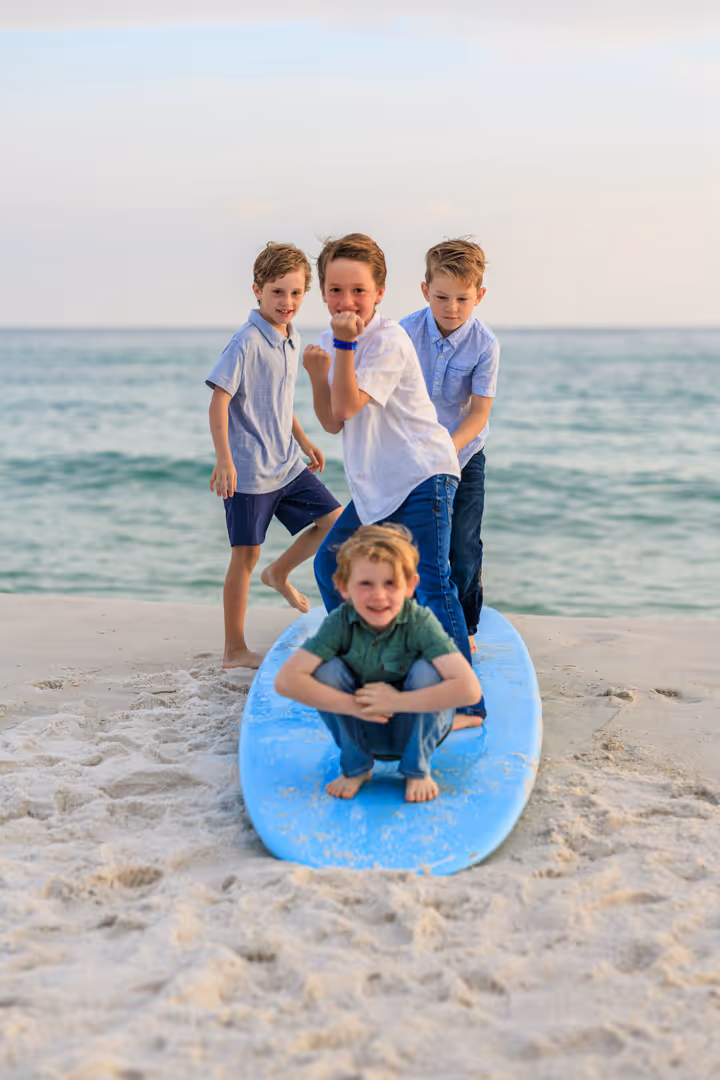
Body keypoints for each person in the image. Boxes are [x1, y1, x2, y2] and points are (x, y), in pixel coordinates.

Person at [303, 233, 483, 724]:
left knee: (431, 583)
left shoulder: (387, 340)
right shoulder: (331, 340)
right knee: (330, 566)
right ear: (323, 292)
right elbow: (332, 421)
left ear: (380, 292)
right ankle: (369, 664)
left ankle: (466, 702)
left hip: (423, 475)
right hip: (379, 488)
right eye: (335, 290)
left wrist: (343, 347)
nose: (346, 301)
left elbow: (348, 405)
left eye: (358, 291)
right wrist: (318, 373)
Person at [206, 242, 342, 669]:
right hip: (249, 472)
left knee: (335, 521)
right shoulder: (245, 342)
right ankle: (234, 650)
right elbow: (219, 401)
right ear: (257, 291)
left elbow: (278, 401)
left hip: (287, 463)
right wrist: (224, 460)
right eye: (277, 292)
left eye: (296, 293)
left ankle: (279, 573)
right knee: (245, 557)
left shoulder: (291, 337)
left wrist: (303, 440)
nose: (287, 301)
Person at [274, 525, 482, 802]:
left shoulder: (419, 621)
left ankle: (417, 769)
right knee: (326, 669)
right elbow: (286, 681)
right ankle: (357, 767)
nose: (379, 595)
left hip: (415, 730)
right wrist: (352, 705)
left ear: (410, 586)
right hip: (363, 728)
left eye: (390, 583)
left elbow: (470, 691)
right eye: (366, 584)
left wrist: (396, 701)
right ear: (343, 586)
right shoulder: (340, 621)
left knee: (428, 670)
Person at [400, 239, 499, 665]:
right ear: (425, 290)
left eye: (462, 299)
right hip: (410, 456)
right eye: (441, 297)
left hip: (465, 454)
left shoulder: (485, 344)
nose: (451, 308)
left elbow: (479, 413)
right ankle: (410, 619)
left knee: (463, 543)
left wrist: (447, 449)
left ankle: (466, 626)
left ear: (479, 295)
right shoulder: (404, 333)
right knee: (413, 542)